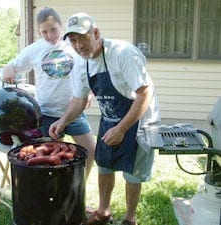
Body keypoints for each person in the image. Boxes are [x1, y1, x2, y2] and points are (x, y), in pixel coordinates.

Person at [49, 12, 160, 225]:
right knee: (105, 165)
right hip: (110, 118)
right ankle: (104, 211)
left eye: (83, 37)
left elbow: (145, 93)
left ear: (96, 33)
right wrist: (63, 121)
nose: (78, 45)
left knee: (132, 174)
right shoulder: (81, 63)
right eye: (73, 40)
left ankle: (129, 218)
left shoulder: (122, 53)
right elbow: (79, 99)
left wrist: (122, 129)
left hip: (140, 121)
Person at [1, 8, 96, 178]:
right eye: (44, 31)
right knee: (52, 159)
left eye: (53, 29)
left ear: (61, 25)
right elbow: (12, 66)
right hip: (46, 113)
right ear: (39, 31)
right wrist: (7, 70)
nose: (49, 35)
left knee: (90, 150)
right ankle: (56, 194)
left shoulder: (74, 44)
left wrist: (90, 94)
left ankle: (80, 186)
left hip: (74, 112)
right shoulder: (34, 49)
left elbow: (91, 71)